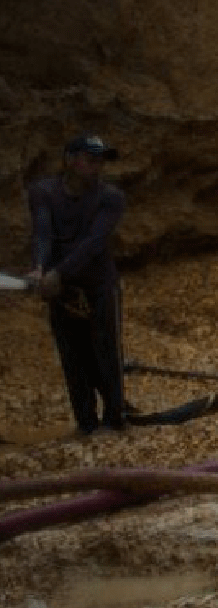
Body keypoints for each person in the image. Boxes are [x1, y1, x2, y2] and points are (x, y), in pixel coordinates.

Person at [26, 134, 130, 436]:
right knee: (72, 355)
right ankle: (86, 423)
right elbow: (43, 233)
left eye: (101, 160)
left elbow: (94, 243)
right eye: (90, 159)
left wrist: (58, 273)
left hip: (98, 285)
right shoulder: (43, 192)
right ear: (70, 160)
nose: (97, 166)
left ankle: (114, 419)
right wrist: (40, 269)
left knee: (105, 351)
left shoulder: (111, 198)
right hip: (62, 288)